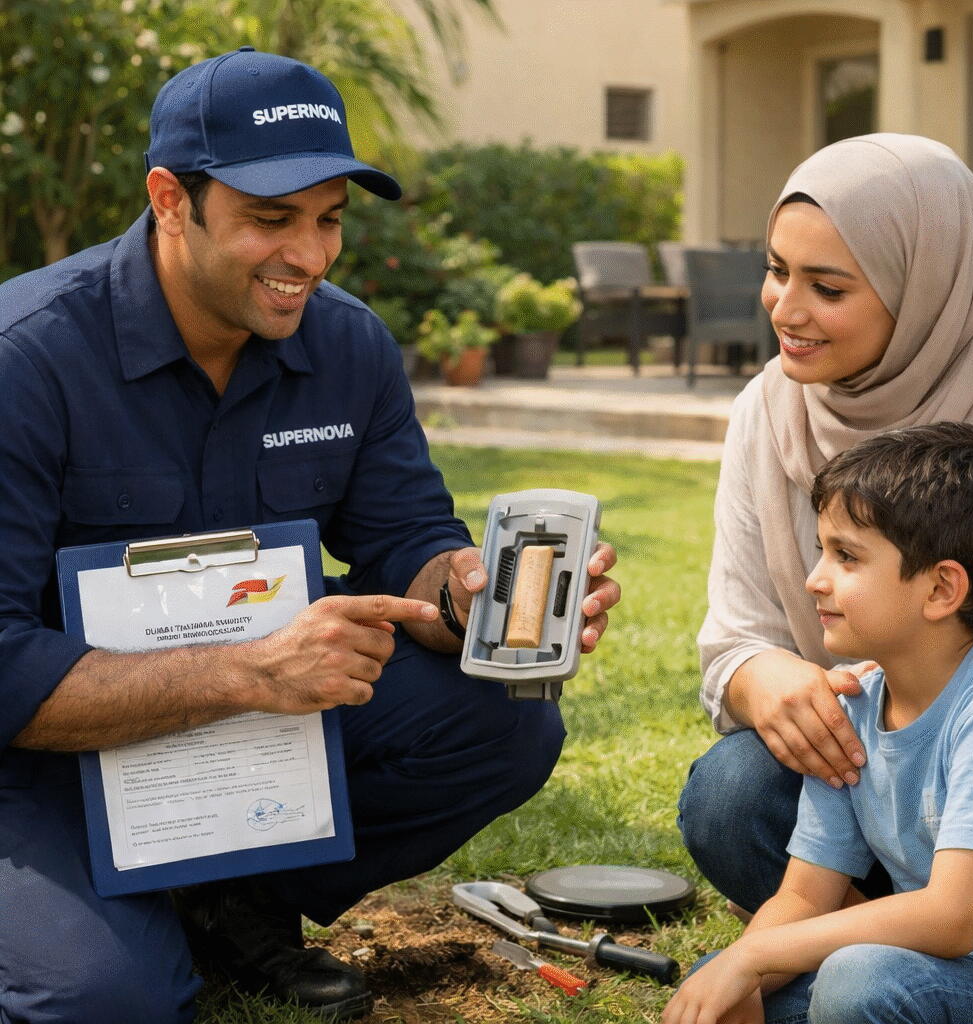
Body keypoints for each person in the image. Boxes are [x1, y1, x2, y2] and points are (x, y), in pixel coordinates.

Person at [0, 48, 620, 1024]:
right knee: (99, 1000)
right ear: (170, 199)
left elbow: (406, 537)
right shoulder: (24, 360)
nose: (313, 255)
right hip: (46, 751)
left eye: (329, 218)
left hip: (249, 721)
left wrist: (466, 595)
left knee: (505, 717)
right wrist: (247, 672)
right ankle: (107, 905)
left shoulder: (348, 346)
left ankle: (235, 898)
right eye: (270, 219)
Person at [676, 133, 973, 917]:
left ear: (926, 284)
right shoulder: (771, 410)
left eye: (827, 288)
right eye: (776, 271)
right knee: (734, 797)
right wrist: (769, 681)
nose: (786, 311)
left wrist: (901, 706)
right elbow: (738, 638)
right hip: (861, 758)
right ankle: (870, 953)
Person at [664, 420, 973, 1024]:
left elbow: (951, 919)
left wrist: (757, 956)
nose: (814, 579)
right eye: (821, 550)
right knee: (720, 984)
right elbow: (807, 894)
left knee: (856, 981)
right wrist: (745, 967)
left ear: (941, 589)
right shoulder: (856, 700)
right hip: (914, 971)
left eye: (846, 556)